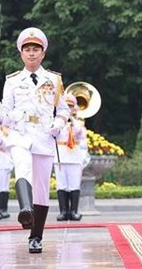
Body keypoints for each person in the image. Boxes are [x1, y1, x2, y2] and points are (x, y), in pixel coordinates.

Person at [0, 27, 70, 253]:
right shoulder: (12, 81)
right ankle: (25, 210)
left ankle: (35, 236)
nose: (31, 53)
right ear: (21, 53)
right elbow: (6, 115)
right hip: (20, 134)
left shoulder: (54, 80)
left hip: (44, 136)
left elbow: (63, 109)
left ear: (43, 53)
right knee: (22, 166)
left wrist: (58, 124)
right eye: (27, 49)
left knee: (42, 189)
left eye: (36, 49)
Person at [53, 93, 90, 221]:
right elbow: (53, 133)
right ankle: (63, 211)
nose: (68, 108)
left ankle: (74, 211)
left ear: (75, 108)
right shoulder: (56, 121)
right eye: (66, 106)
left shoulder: (78, 122)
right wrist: (62, 120)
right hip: (61, 156)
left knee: (74, 185)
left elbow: (79, 134)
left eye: (71, 106)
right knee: (61, 184)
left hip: (74, 157)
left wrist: (72, 120)